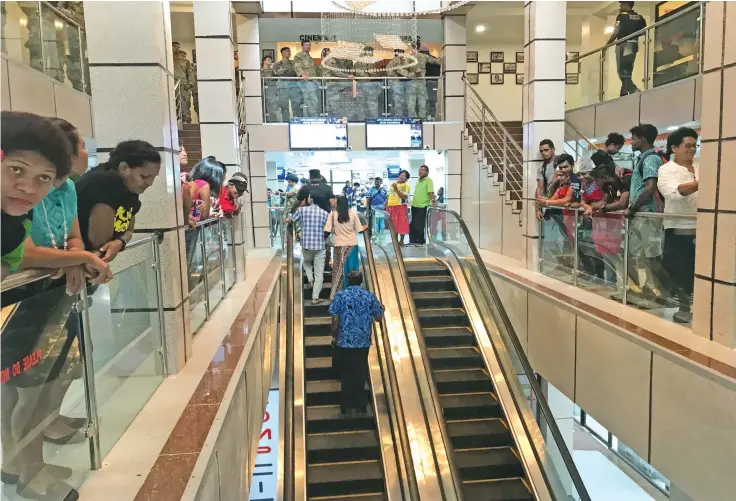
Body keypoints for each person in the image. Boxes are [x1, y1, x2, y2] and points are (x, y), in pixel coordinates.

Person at [1, 112, 72, 280]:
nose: (29, 189)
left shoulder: (22, 220)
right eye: (16, 169)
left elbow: (8, 262)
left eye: (44, 177)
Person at [75, 140, 161, 260]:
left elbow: (129, 229)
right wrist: (119, 241)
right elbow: (100, 245)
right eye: (144, 176)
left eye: (153, 177)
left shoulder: (129, 188)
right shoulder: (106, 182)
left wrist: (120, 242)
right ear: (124, 168)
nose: (150, 183)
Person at [657, 127, 698, 323]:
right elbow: (673, 193)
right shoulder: (666, 170)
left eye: (695, 146)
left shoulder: (700, 167)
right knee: (680, 271)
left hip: (703, 231)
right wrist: (701, 183)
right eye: (688, 146)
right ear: (674, 148)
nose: (692, 149)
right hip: (678, 230)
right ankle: (683, 307)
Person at [329, 270, 384, 416]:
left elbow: (335, 319)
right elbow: (378, 318)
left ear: (348, 280)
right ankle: (360, 405)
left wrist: (334, 335)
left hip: (345, 341)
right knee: (360, 372)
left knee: (347, 373)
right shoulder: (369, 296)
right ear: (361, 281)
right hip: (362, 341)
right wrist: (381, 309)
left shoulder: (340, 296)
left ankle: (346, 406)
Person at [624, 124, 667, 305]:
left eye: (634, 138)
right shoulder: (643, 159)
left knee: (652, 258)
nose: (632, 142)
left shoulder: (650, 159)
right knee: (635, 257)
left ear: (642, 139)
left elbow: (650, 189)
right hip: (640, 216)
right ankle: (648, 291)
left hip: (647, 215)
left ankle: (666, 294)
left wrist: (632, 208)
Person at [288, 189, 329, 304]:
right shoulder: (325, 213)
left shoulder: (301, 211)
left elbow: (291, 220)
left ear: (311, 199)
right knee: (319, 273)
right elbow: (328, 229)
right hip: (320, 245)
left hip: (306, 244)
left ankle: (310, 279)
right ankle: (315, 297)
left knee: (306, 261)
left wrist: (288, 219)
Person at [324, 195, 365, 299]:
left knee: (338, 270)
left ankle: (337, 295)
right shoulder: (353, 214)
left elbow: (327, 231)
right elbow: (360, 230)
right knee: (352, 269)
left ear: (337, 204)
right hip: (352, 245)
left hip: (339, 246)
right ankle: (354, 294)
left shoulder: (333, 215)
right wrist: (366, 227)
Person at [607, 1, 647, 96]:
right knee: (628, 71)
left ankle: (633, 90)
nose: (620, 6)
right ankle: (624, 94)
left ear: (626, 5)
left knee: (621, 71)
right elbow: (644, 32)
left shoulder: (621, 16)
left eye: (621, 4)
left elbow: (616, 32)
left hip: (623, 45)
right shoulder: (640, 17)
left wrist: (607, 45)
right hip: (633, 45)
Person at [184, 156, 226, 224]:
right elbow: (204, 215)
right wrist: (212, 213)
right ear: (213, 176)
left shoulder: (192, 183)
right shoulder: (204, 185)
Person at [406, 45, 441, 119]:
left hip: (412, 82)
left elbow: (403, 69)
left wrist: (409, 74)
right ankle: (423, 118)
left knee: (411, 102)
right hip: (423, 82)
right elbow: (438, 62)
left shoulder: (409, 57)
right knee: (423, 102)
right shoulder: (425, 57)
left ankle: (412, 119)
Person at [272, 47, 302, 120]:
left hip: (293, 86)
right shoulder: (277, 64)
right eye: (287, 51)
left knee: (296, 104)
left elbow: (299, 71)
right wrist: (288, 69)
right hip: (282, 87)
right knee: (284, 105)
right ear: (282, 53)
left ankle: (297, 121)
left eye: (290, 51)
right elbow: (276, 72)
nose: (289, 53)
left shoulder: (294, 62)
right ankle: (286, 121)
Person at [409, 165, 436, 246]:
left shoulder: (428, 180)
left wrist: (433, 201)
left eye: (423, 170)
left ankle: (421, 241)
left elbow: (430, 192)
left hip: (422, 206)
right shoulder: (418, 180)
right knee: (413, 223)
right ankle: (413, 241)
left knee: (420, 224)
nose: (420, 171)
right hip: (414, 205)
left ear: (427, 172)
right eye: (419, 170)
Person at [354, 46, 382, 120]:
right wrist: (378, 75)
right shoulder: (368, 60)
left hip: (359, 84)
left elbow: (355, 73)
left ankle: (361, 120)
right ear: (368, 52)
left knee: (360, 104)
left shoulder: (357, 61)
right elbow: (372, 72)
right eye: (372, 52)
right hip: (368, 84)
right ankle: (374, 120)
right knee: (372, 103)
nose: (372, 54)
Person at [294, 40, 319, 116]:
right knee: (312, 101)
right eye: (306, 45)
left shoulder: (309, 57)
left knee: (312, 102)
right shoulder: (299, 55)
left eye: (309, 45)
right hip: (306, 82)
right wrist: (302, 74)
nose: (308, 46)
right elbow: (297, 66)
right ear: (302, 46)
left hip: (313, 82)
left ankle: (311, 118)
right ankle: (313, 119)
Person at [173, 42, 196, 123]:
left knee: (184, 102)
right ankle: (175, 120)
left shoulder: (185, 61)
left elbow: (190, 72)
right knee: (173, 103)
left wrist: (190, 83)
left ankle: (185, 120)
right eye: (174, 46)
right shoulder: (168, 59)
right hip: (171, 83)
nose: (176, 48)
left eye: (178, 47)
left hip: (183, 84)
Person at [387, 170, 411, 245]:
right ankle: (395, 241)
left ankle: (401, 241)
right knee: (393, 225)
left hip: (400, 207)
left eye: (404, 175)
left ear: (406, 179)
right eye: (401, 174)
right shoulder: (393, 184)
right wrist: (385, 204)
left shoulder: (405, 186)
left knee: (401, 224)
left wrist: (396, 189)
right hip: (391, 207)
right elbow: (389, 195)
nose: (401, 176)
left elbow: (404, 196)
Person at [535, 139, 557, 214]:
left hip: (563, 203)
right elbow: (540, 188)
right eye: (541, 151)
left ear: (553, 149)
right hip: (549, 204)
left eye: (546, 150)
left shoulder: (562, 162)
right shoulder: (541, 168)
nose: (543, 153)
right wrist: (538, 209)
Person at [386, 49, 410, 117]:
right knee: (398, 102)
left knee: (394, 102)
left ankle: (393, 116)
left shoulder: (392, 61)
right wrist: (410, 75)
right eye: (402, 53)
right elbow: (399, 70)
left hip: (392, 84)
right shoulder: (397, 59)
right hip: (396, 84)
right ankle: (399, 118)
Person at [422, 45, 441, 120]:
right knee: (432, 100)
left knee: (425, 100)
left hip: (425, 82)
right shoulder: (435, 59)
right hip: (434, 82)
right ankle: (432, 117)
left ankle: (427, 116)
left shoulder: (424, 60)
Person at [261, 54, 282, 122]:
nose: (270, 61)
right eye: (268, 60)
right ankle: (263, 121)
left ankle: (272, 122)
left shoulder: (272, 71)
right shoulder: (259, 71)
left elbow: (277, 76)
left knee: (272, 107)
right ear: (264, 61)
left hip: (270, 90)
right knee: (262, 107)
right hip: (261, 90)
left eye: (271, 60)